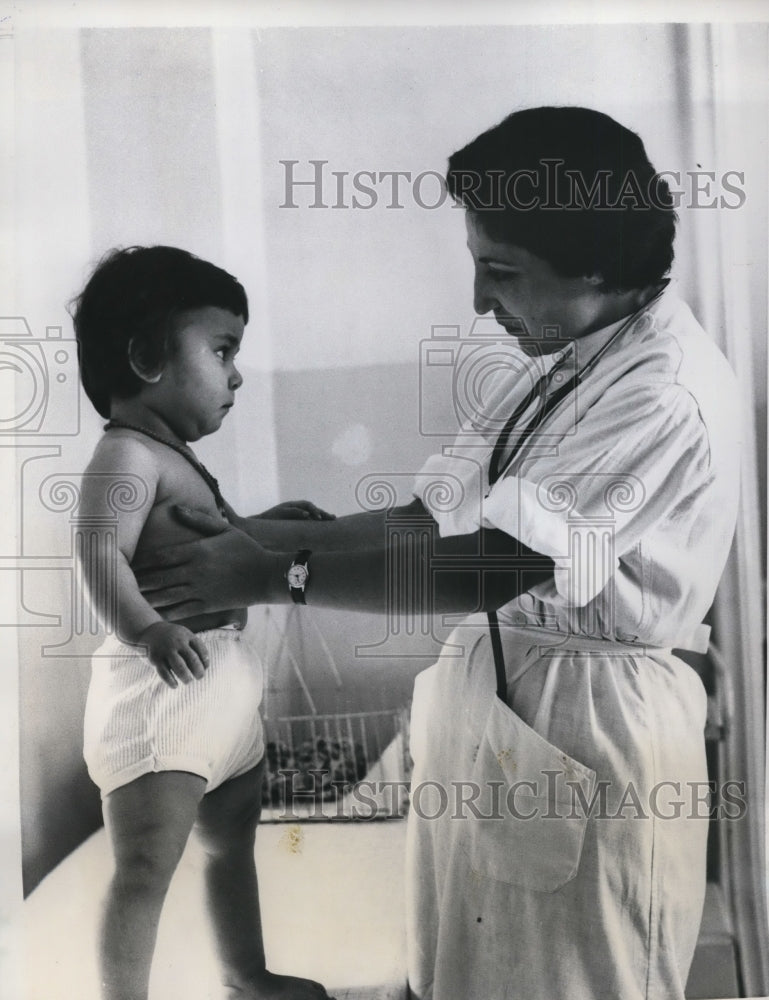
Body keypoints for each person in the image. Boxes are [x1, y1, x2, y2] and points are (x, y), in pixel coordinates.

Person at [135, 108, 741, 1000]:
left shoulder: (659, 392)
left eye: (499, 272)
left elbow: (488, 567)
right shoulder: (564, 360)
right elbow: (424, 522)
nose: (477, 301)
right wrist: (241, 532)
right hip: (511, 712)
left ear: (594, 266)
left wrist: (272, 574)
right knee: (466, 969)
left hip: (593, 723)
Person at [73, 245, 335, 1000]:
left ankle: (244, 974)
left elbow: (207, 541)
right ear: (148, 355)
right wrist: (148, 631)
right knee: (145, 866)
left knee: (230, 846)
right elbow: (99, 552)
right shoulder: (126, 457)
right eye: (222, 349)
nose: (237, 373)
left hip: (218, 687)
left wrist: (261, 526)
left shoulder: (170, 455)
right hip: (163, 688)